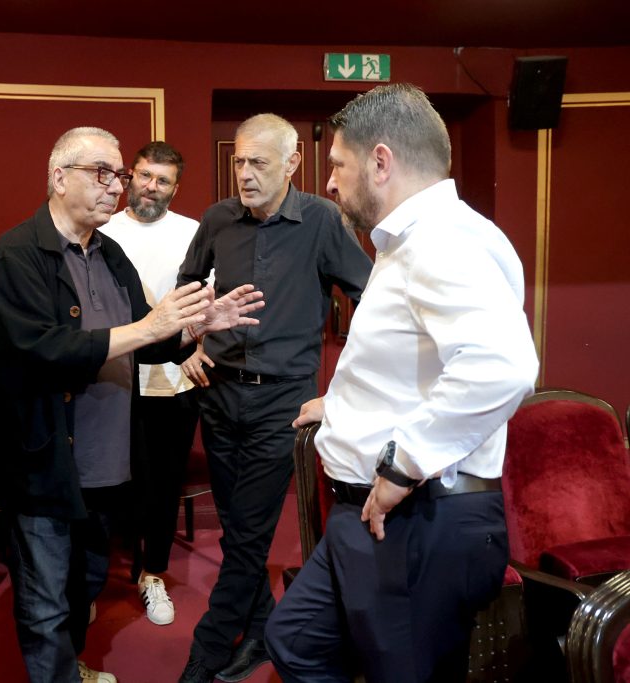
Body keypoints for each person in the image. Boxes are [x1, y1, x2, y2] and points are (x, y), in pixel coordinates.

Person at [263, 83, 539, 682]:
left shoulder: (441, 241)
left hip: (413, 519)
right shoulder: (413, 239)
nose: (329, 183)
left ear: (380, 162)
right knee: (295, 640)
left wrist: (402, 465)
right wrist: (342, 404)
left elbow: (501, 364)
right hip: (381, 518)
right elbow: (414, 358)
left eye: (338, 164)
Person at [0, 126, 264, 683]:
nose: (117, 186)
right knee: (45, 604)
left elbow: (150, 342)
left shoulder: (110, 254)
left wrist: (195, 326)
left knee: (87, 581)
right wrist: (149, 327)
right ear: (59, 177)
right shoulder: (19, 252)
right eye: (102, 174)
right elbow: (43, 350)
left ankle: (73, 667)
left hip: (108, 462)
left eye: (117, 174)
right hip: (46, 462)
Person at [176, 114, 373, 683]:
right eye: (238, 161)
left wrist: (349, 387)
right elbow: (186, 287)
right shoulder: (217, 219)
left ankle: (208, 650)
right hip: (218, 394)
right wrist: (189, 340)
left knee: (247, 533)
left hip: (283, 403)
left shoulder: (322, 221)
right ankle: (263, 630)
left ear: (292, 164)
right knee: (241, 530)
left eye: (258, 163)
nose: (244, 173)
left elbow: (372, 299)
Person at [98, 140, 201, 627]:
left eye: (162, 180)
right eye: (144, 176)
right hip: (110, 375)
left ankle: (152, 573)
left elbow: (208, 301)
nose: (151, 187)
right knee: (106, 480)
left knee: (162, 482)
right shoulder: (103, 228)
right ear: (130, 177)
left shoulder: (194, 233)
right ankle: (94, 577)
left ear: (175, 188)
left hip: (172, 376)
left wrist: (199, 346)